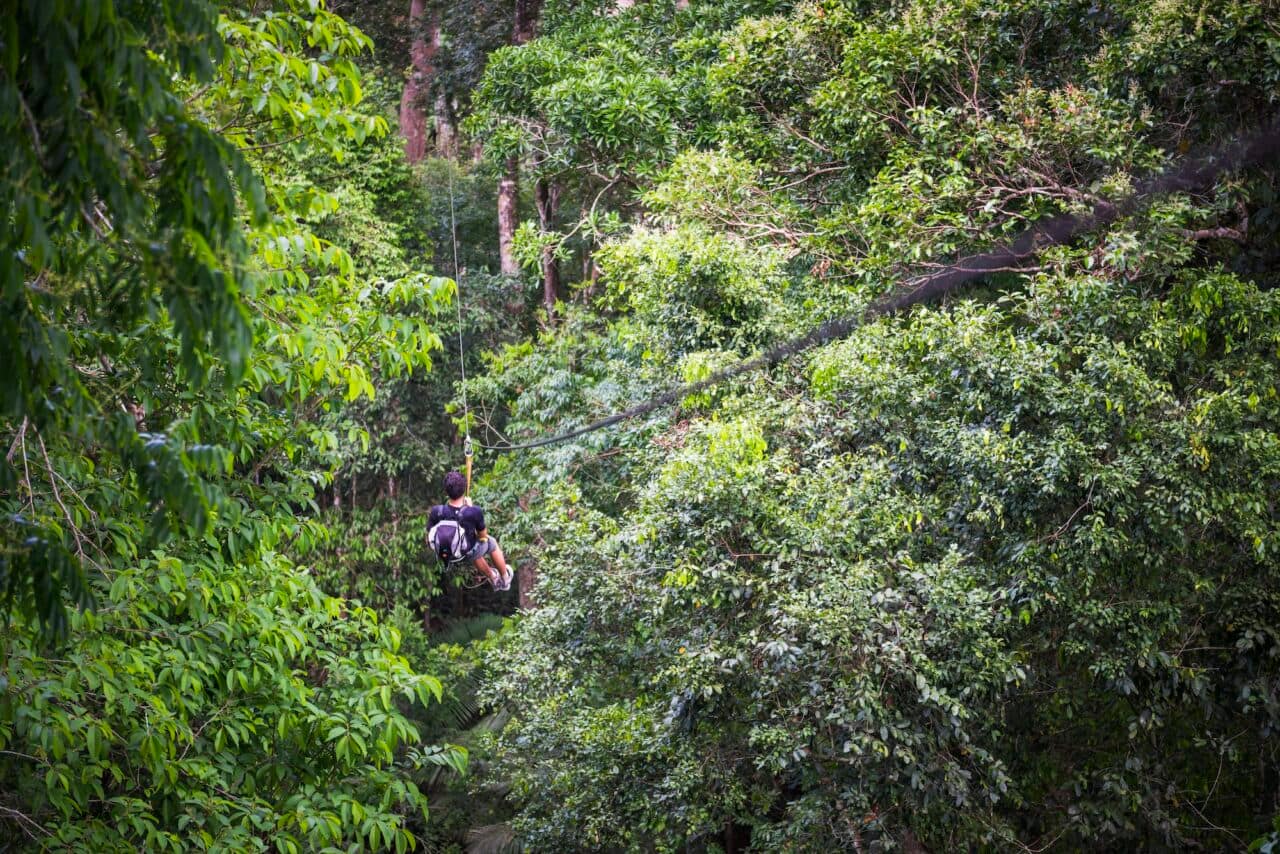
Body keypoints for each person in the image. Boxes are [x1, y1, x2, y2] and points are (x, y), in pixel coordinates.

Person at [427, 471, 514, 591]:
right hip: (466, 552)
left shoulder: (437, 511)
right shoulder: (473, 511)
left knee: (472, 545)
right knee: (491, 543)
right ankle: (505, 578)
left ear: (446, 491)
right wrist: (470, 508)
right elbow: (483, 536)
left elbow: (429, 537)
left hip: (446, 554)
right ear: (464, 490)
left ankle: (493, 577)